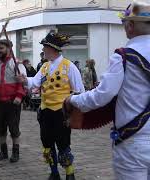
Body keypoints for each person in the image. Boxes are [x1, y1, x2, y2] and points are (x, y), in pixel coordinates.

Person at [64, 2, 150, 179]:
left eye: (124, 23)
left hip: (133, 142)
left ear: (131, 26)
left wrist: (73, 100)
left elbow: (102, 96)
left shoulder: (124, 56)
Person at [18, 31, 84, 180]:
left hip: (61, 114)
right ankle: (54, 173)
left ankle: (69, 173)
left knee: (63, 144)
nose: (43, 50)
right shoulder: (45, 67)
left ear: (52, 48)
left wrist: (73, 115)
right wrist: (24, 80)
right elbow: (34, 82)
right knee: (47, 143)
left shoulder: (69, 67)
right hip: (45, 111)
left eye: (45, 47)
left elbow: (79, 92)